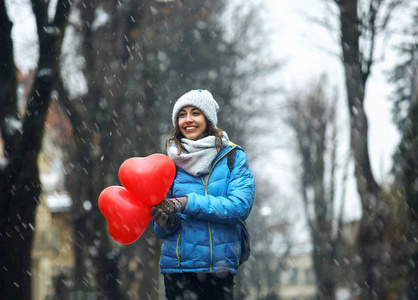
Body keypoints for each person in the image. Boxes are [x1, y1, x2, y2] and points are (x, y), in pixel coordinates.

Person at [151, 89, 255, 300]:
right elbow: (160, 231)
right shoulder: (167, 164)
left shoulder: (233, 157)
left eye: (195, 113)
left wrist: (187, 203)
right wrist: (166, 221)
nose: (188, 120)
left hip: (219, 271)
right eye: (182, 114)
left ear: (208, 118)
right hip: (178, 271)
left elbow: (239, 207)